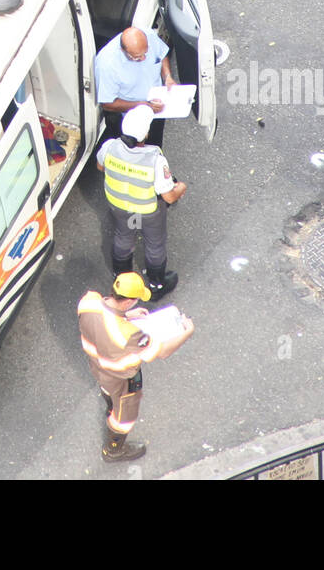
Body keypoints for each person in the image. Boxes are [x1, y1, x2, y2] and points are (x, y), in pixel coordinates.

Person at [77, 271, 195, 462]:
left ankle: (110, 406)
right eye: (136, 300)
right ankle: (114, 450)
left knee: (108, 394)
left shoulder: (88, 301)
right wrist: (187, 333)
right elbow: (162, 351)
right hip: (121, 379)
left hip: (98, 367)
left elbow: (106, 315)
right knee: (124, 418)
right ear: (128, 301)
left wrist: (126, 315)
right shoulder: (129, 334)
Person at [97, 104, 188, 300]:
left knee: (124, 236)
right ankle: (156, 284)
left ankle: (121, 276)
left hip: (121, 208)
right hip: (147, 212)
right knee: (154, 244)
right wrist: (181, 187)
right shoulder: (155, 159)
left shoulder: (109, 146)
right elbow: (169, 196)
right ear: (145, 134)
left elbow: (100, 166)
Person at [95, 25, 176, 146]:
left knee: (154, 144)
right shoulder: (107, 65)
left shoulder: (148, 35)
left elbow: (162, 54)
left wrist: (168, 77)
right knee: (131, 153)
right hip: (130, 120)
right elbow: (107, 104)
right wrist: (143, 105)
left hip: (157, 109)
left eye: (146, 52)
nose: (144, 58)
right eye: (138, 57)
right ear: (123, 51)